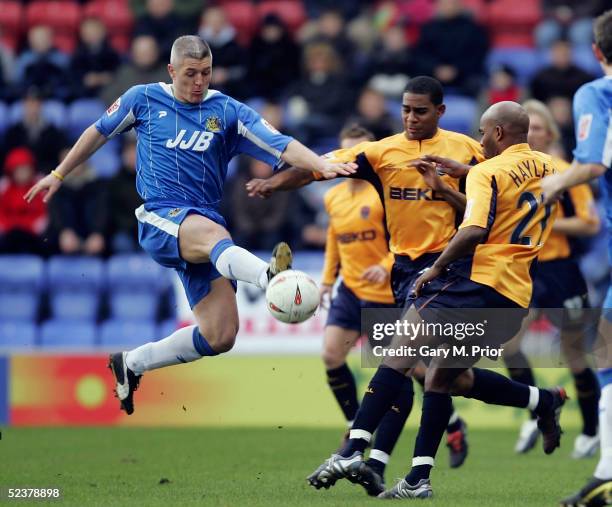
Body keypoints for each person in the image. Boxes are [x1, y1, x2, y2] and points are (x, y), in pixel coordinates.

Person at [25, 35, 354, 416]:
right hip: (160, 216)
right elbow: (98, 131)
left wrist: (321, 165)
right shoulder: (143, 99)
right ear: (171, 71)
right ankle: (270, 279)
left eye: (206, 73)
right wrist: (59, 174)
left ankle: (132, 364)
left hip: (204, 225)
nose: (199, 82)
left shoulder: (227, 112)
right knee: (217, 236)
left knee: (221, 335)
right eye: (190, 74)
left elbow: (279, 143)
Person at [307, 102, 568, 500]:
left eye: (483, 133)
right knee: (444, 378)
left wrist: (435, 268)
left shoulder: (486, 170)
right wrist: (450, 185)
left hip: (476, 285)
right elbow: (506, 210)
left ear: (498, 133)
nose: (480, 141)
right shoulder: (550, 168)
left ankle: (351, 449)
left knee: (400, 351)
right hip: (514, 298)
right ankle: (422, 476)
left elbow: (474, 230)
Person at [248, 76, 482, 495]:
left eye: (421, 111)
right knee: (437, 375)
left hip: (446, 268)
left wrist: (444, 190)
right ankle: (531, 405)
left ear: (440, 112)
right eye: (406, 110)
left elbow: (488, 207)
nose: (411, 118)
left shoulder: (466, 150)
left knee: (403, 362)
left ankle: (357, 448)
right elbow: (318, 168)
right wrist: (272, 182)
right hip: (404, 275)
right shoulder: (381, 153)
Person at [540, 10, 612, 506]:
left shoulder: (597, 93)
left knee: (605, 353)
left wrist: (554, 183)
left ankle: (606, 474)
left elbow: (592, 163)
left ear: (596, 51)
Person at [502, 99, 600, 457]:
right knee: (507, 344)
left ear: (550, 133)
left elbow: (591, 223)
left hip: (560, 270)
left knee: (574, 354)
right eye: (527, 128)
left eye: (539, 128)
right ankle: (535, 408)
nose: (533, 134)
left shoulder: (565, 171)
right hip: (522, 269)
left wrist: (544, 224)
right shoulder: (505, 172)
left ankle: (591, 430)